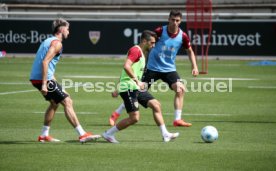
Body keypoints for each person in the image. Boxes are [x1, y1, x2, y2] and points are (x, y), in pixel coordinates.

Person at [109, 9, 199, 127]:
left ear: (181, 21)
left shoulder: (183, 36)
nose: (175, 23)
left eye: (177, 20)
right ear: (168, 19)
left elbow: (190, 51)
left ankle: (177, 119)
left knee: (180, 89)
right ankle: (116, 114)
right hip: (152, 68)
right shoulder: (160, 31)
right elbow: (147, 45)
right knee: (136, 91)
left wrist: (195, 66)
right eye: (172, 20)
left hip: (169, 70)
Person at [30, 18, 100, 143]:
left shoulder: (48, 40)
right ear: (61, 29)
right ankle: (82, 134)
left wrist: (54, 83)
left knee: (54, 103)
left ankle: (44, 135)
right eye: (67, 29)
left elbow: (49, 65)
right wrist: (45, 84)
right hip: (42, 79)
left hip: (37, 78)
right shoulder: (57, 43)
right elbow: (45, 61)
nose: (69, 32)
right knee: (67, 101)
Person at [103, 30, 179, 143]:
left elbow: (126, 71)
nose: (153, 46)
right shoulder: (136, 51)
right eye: (152, 43)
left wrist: (118, 88)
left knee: (156, 105)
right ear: (144, 41)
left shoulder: (142, 53)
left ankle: (165, 134)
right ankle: (108, 134)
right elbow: (126, 67)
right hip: (129, 87)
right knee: (134, 118)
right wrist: (137, 81)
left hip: (135, 87)